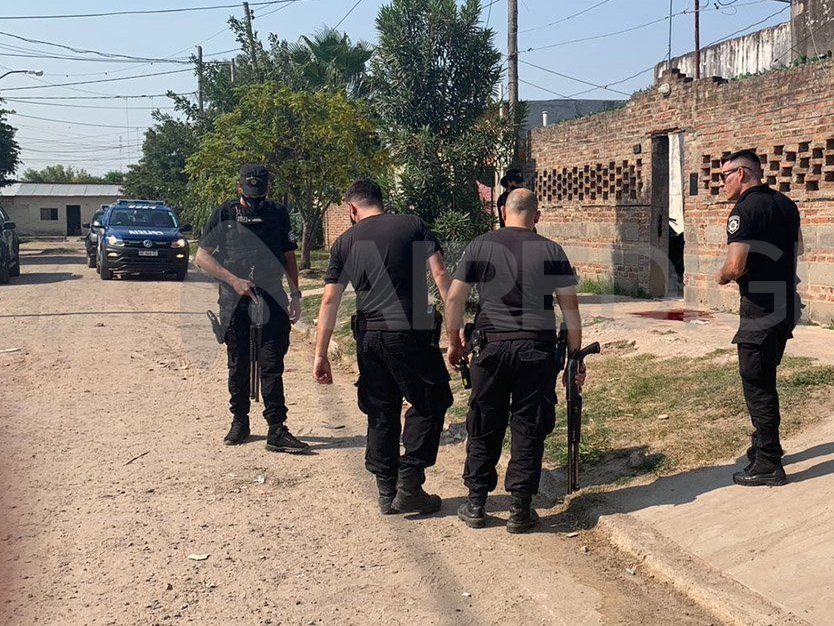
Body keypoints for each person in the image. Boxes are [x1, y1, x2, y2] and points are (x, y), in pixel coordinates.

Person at [444, 188, 586, 533]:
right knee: (529, 425)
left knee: (484, 421)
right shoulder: (552, 250)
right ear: (536, 217)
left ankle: (476, 503)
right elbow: (571, 310)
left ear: (503, 212)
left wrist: (453, 342)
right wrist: (575, 359)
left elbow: (453, 299)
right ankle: (520, 510)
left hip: (490, 348)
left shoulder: (480, 246)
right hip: (536, 351)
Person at [312, 179, 453, 515]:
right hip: (411, 329)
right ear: (381, 200)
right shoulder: (412, 225)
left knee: (381, 409)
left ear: (351, 208)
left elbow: (330, 300)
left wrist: (320, 353)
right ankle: (411, 479)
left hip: (370, 337)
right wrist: (456, 328)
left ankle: (386, 490)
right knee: (432, 400)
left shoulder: (344, 242)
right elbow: (440, 275)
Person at [195, 164, 308, 453]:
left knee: (272, 363)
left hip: (271, 295)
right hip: (235, 299)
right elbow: (201, 257)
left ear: (267, 190)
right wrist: (233, 280)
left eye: (259, 195)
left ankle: (276, 428)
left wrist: (295, 294)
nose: (254, 200)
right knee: (238, 361)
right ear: (238, 188)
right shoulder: (224, 213)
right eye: (249, 195)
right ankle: (240, 421)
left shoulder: (277, 214)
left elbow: (288, 256)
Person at [715, 149, 802, 487]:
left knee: (758, 385)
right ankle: (762, 448)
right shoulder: (786, 205)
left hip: (760, 309)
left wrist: (722, 276)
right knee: (765, 377)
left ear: (743, 173)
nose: (721, 183)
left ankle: (768, 461)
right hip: (785, 305)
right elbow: (800, 249)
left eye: (724, 176)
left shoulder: (743, 211)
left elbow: (735, 266)